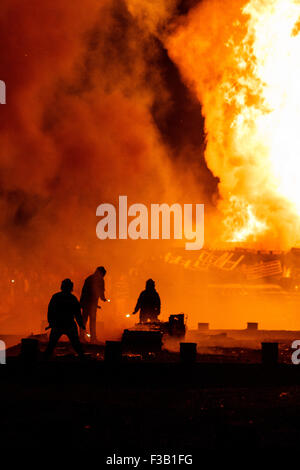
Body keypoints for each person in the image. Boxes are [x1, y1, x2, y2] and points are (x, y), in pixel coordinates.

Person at [44, 278, 85, 358]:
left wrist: (51, 322)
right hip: (69, 324)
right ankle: (83, 359)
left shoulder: (56, 297)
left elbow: (50, 311)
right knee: (76, 344)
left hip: (58, 324)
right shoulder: (73, 298)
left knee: (51, 345)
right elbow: (77, 313)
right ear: (71, 288)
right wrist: (80, 324)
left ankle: (45, 359)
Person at [80, 266, 107, 341]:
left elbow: (100, 291)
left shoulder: (92, 279)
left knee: (87, 321)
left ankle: (89, 337)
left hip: (90, 304)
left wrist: (102, 298)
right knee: (89, 321)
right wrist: (103, 298)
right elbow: (85, 292)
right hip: (88, 304)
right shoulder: (95, 280)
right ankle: (88, 337)